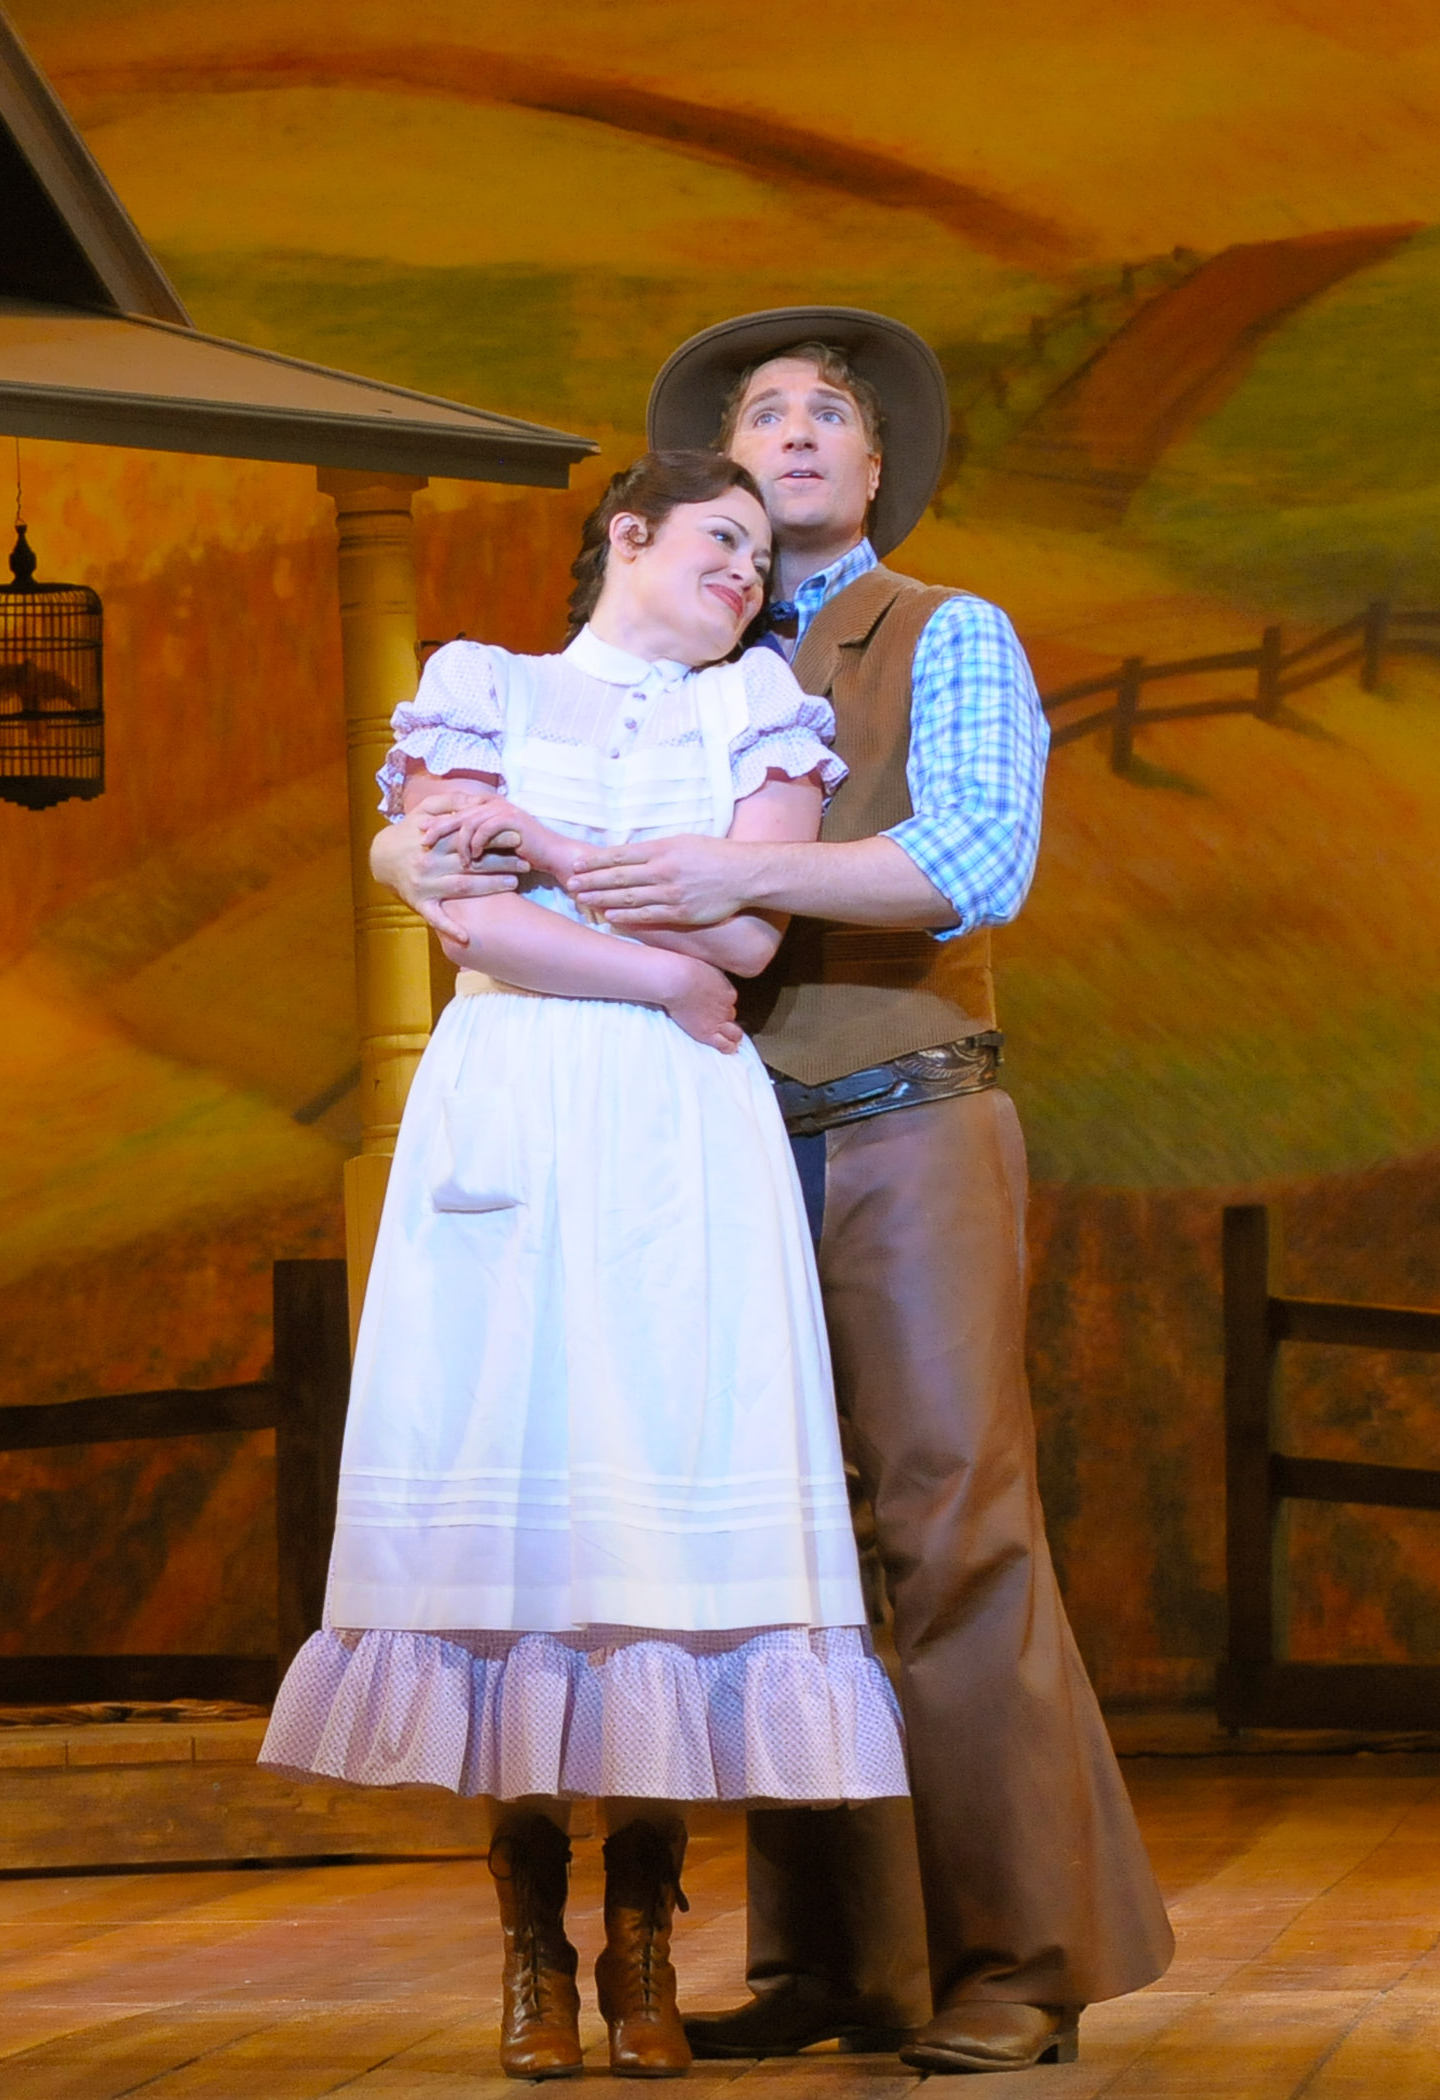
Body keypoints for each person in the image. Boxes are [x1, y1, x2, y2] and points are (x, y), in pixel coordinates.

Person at [375, 311, 1175, 2076]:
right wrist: (433, 848)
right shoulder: (688, 658)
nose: (800, 433)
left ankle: (1022, 1957)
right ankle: (844, 1962)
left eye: (833, 414)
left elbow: (973, 859)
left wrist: (695, 877)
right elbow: (444, 831)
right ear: (707, 481)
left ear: (876, 468)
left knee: (951, 1529)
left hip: (895, 1120)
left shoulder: (939, 630)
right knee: (784, 1550)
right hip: (698, 1148)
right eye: (765, 415)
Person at [261, 448, 908, 2083]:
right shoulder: (482, 686)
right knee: (529, 1520)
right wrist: (655, 972)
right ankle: (531, 1952)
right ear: (628, 532)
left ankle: (643, 1943)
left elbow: (744, 938)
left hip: (679, 1132)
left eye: (761, 557)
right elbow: (470, 925)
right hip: (524, 1099)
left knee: (655, 1519)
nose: (746, 572)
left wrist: (555, 856)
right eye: (720, 538)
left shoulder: (755, 708)